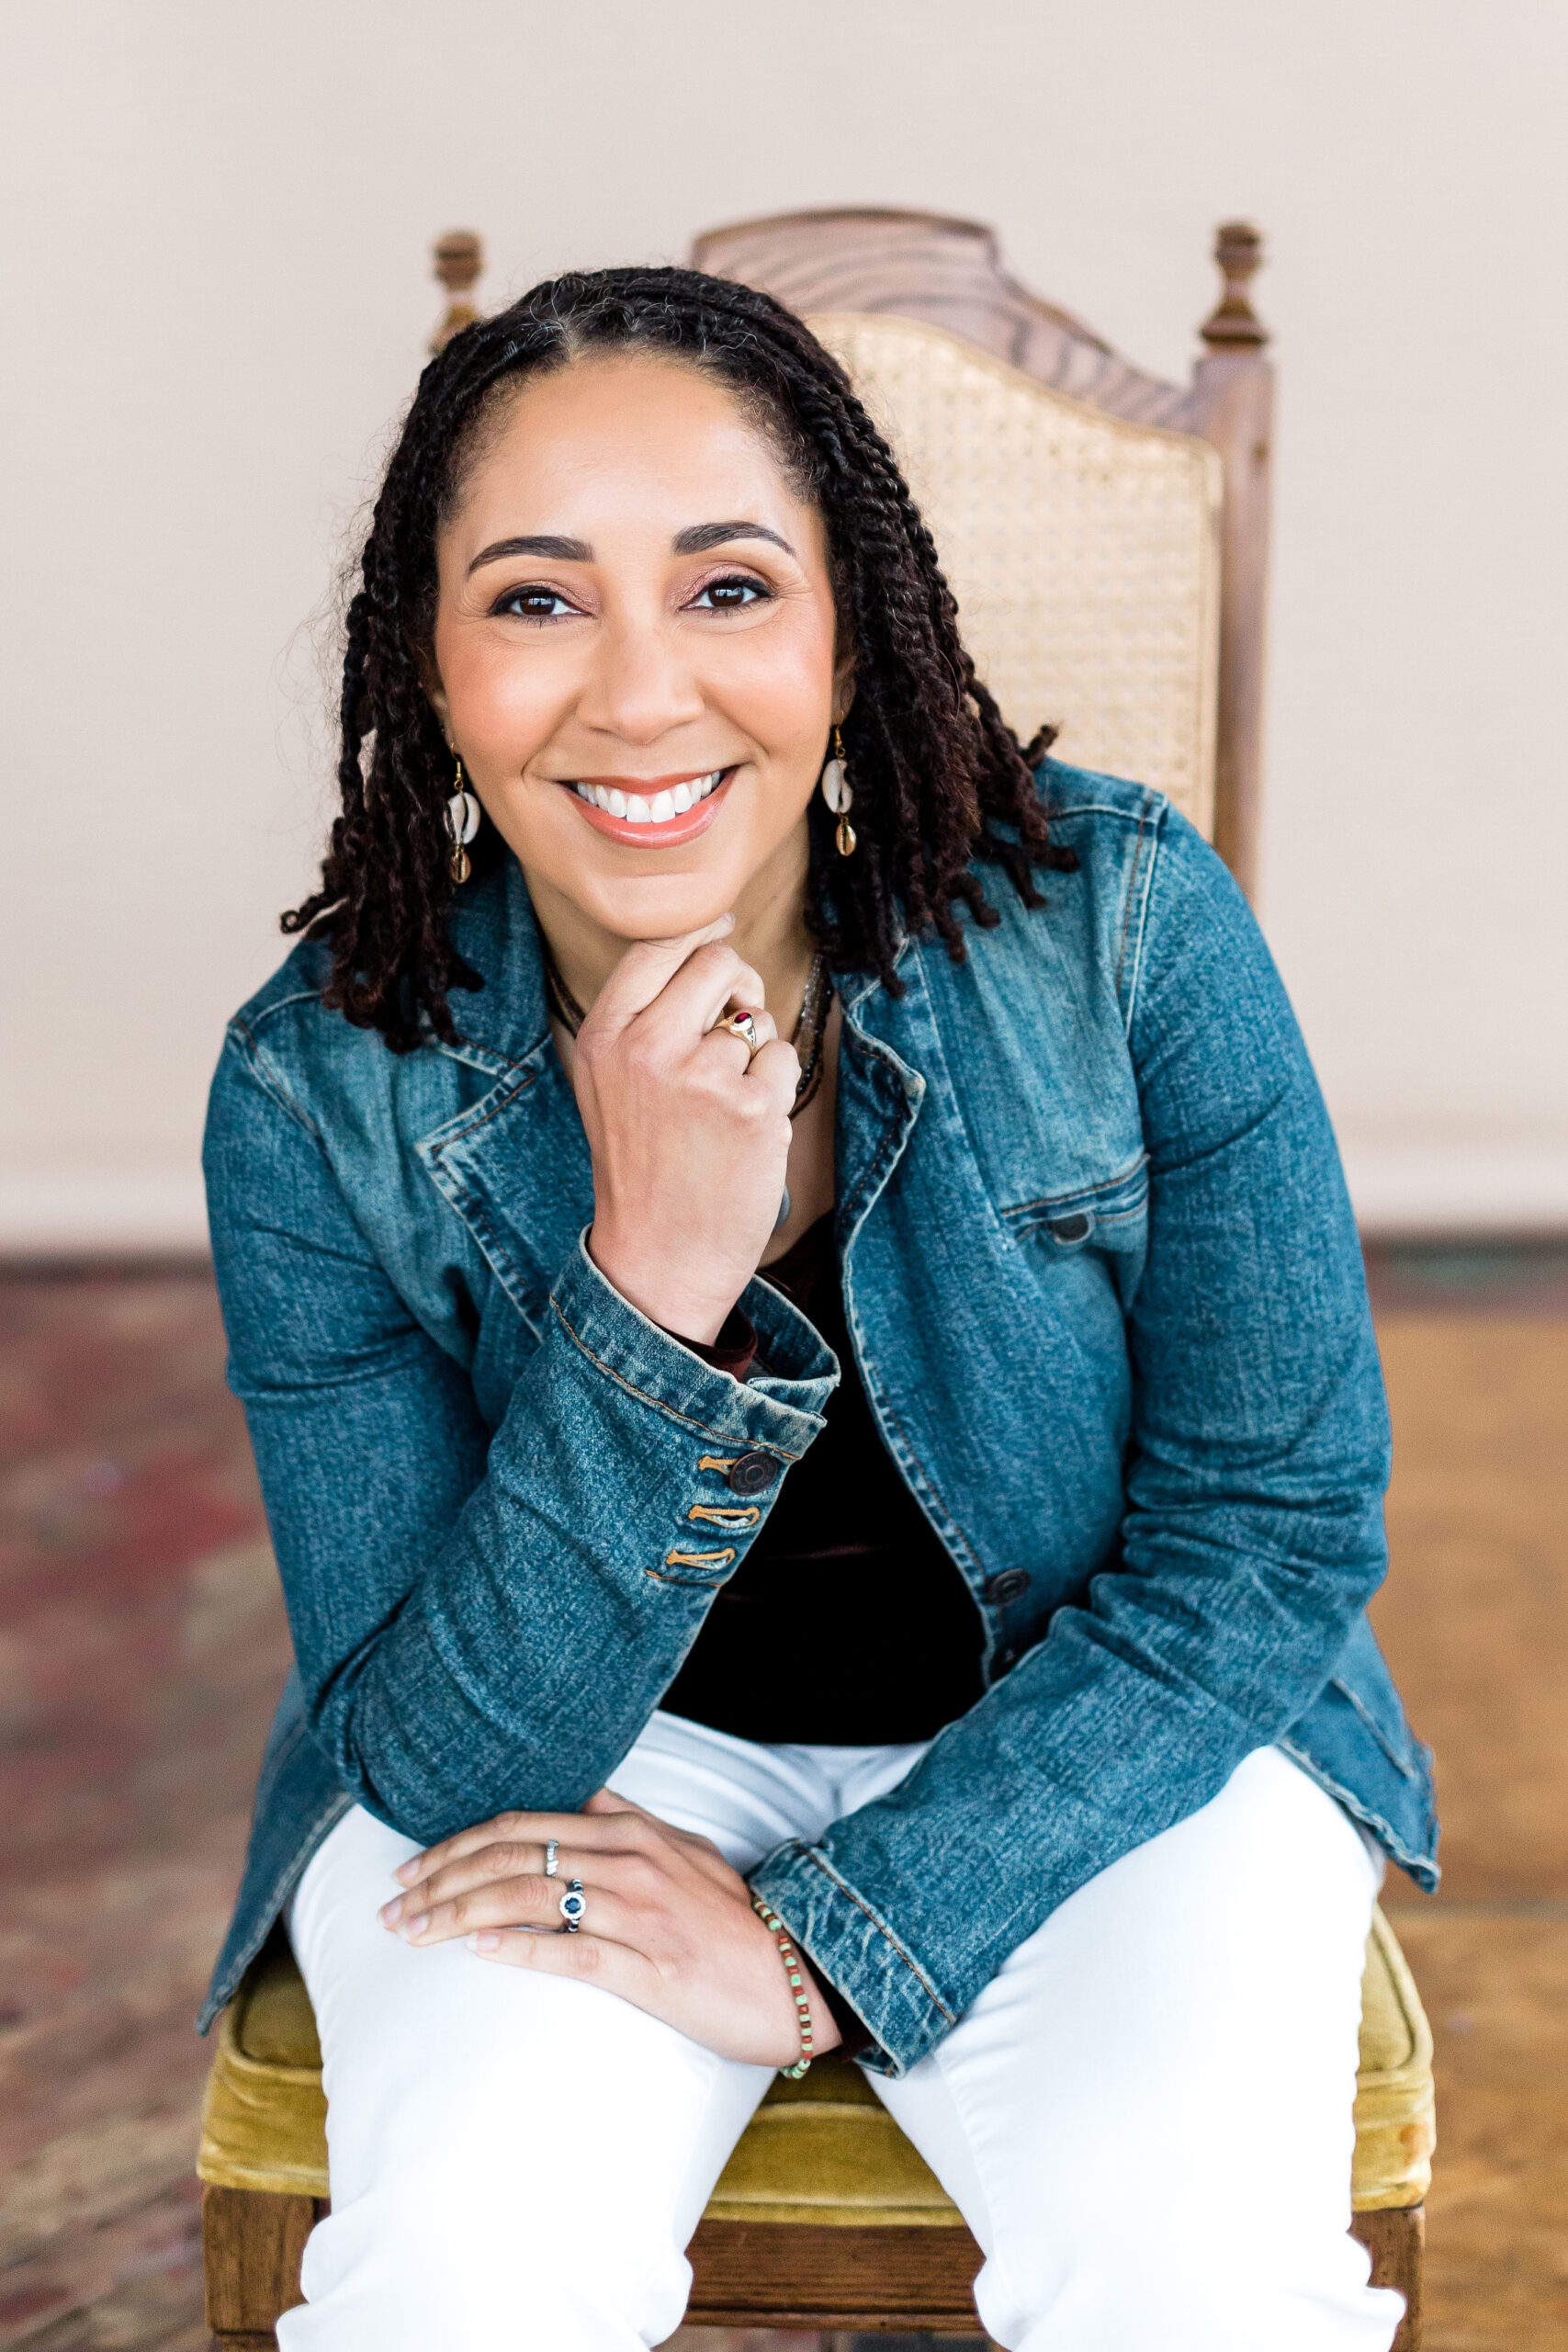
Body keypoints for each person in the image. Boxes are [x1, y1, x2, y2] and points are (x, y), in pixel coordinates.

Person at [200, 266, 1437, 2351]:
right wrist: (650, 1288)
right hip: (593, 1774)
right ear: (427, 663)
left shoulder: (1125, 928)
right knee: (456, 2288)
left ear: (846, 637)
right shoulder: (319, 1086)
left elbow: (1272, 1531)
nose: (637, 696)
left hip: (1102, 1718)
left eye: (726, 589)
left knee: (1201, 2285)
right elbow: (436, 1751)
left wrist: (827, 1946)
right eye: (535, 599)